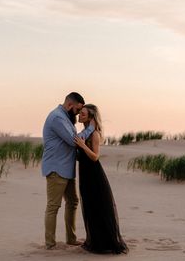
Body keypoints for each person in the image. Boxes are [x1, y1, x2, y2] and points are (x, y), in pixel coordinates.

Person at [41, 92, 95, 250]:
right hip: (56, 168)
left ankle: (71, 238)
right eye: (78, 110)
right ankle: (50, 244)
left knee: (73, 202)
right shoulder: (58, 118)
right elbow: (74, 141)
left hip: (65, 168)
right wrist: (91, 128)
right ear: (70, 104)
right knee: (53, 206)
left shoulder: (65, 118)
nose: (78, 113)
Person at [74, 104, 128, 254]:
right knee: (89, 206)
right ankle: (94, 240)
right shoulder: (85, 132)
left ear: (90, 117)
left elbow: (95, 156)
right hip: (85, 173)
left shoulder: (94, 134)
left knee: (98, 206)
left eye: (83, 114)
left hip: (94, 174)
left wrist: (83, 146)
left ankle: (104, 243)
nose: (80, 115)